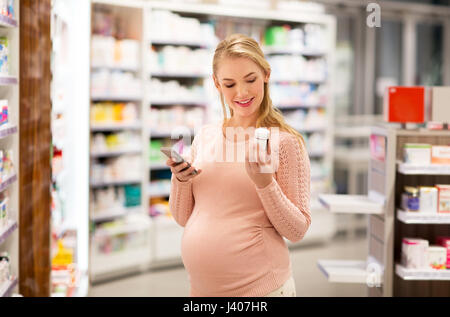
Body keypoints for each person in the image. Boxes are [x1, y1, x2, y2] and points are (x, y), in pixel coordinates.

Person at [166, 33, 311, 297]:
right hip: (202, 293)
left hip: (260, 291)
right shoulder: (206, 135)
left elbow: (297, 230)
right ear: (216, 84)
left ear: (266, 74)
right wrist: (181, 179)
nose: (241, 93)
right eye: (229, 84)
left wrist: (266, 184)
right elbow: (183, 217)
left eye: (250, 80)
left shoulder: (284, 142)